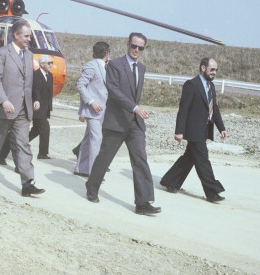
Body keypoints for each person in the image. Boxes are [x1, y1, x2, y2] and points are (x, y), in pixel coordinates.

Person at [85, 32, 161, 216]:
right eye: (134, 46)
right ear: (127, 45)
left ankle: (143, 202)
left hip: (135, 124)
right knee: (105, 157)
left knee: (140, 159)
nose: (136, 50)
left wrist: (136, 112)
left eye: (140, 48)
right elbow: (114, 91)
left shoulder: (141, 68)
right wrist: (135, 107)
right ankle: (92, 187)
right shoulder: (115, 65)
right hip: (116, 122)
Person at [0, 21, 45, 197]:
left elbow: (31, 81)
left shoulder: (30, 55)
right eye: (26, 36)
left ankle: (27, 183)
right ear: (16, 35)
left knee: (23, 144)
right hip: (5, 108)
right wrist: (3, 100)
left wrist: (35, 99)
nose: (29, 39)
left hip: (23, 109)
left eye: (30, 36)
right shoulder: (2, 54)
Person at [159, 57, 227, 203]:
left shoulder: (211, 86)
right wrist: (179, 131)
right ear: (203, 68)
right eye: (212, 69)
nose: (214, 72)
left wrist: (221, 127)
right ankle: (212, 192)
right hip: (193, 130)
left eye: (216, 70)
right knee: (203, 160)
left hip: (204, 130)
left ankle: (170, 181)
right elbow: (183, 109)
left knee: (189, 158)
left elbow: (214, 108)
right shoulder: (192, 85)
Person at [0, 54, 54, 164]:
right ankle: (42, 153)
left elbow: (48, 95)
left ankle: (4, 152)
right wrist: (34, 103)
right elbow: (33, 91)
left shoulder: (50, 75)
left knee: (35, 130)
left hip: (43, 109)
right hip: (34, 108)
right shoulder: (35, 75)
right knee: (43, 128)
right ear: (42, 64)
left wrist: (48, 110)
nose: (51, 65)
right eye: (49, 63)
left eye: (52, 63)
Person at [73, 41, 110, 177]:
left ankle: (81, 168)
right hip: (93, 110)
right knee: (97, 140)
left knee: (89, 139)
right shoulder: (91, 66)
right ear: (107, 53)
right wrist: (91, 102)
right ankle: (94, 174)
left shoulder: (105, 66)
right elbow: (80, 85)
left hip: (102, 110)